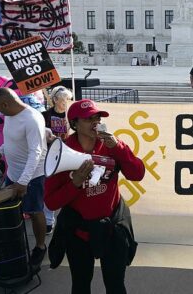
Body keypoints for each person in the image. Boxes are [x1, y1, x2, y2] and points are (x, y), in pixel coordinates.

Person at [45, 99, 145, 294]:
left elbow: (137, 174)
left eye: (97, 117)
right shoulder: (62, 151)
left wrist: (119, 148)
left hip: (112, 227)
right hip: (79, 232)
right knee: (81, 284)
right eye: (88, 119)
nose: (95, 123)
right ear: (74, 124)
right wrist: (75, 183)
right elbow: (50, 201)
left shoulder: (111, 144)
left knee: (116, 284)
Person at [0, 87, 49, 267]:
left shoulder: (32, 119)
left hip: (32, 176)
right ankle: (17, 243)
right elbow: (10, 140)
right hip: (13, 173)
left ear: (6, 103)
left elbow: (36, 152)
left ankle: (40, 247)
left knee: (34, 210)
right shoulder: (10, 115)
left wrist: (24, 181)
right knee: (14, 210)